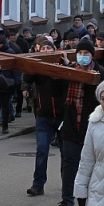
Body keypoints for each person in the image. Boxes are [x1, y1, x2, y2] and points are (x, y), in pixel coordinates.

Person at [58, 38, 104, 206]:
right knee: (69, 163)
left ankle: (91, 198)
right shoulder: (69, 72)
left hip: (92, 128)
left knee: (92, 166)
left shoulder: (101, 74)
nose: (82, 56)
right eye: (80, 53)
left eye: (86, 53)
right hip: (71, 126)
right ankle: (67, 200)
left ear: (92, 56)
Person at [23, 36, 66, 195]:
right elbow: (27, 77)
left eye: (49, 49)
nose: (46, 51)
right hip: (44, 116)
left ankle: (67, 182)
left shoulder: (63, 67)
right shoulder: (38, 68)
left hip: (62, 116)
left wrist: (62, 67)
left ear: (55, 51)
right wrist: (33, 68)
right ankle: (38, 184)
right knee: (42, 150)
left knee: (66, 152)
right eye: (43, 49)